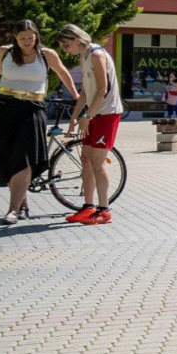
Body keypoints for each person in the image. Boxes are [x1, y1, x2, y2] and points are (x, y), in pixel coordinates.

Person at [0, 19, 77, 224]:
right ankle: (22, 204)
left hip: (32, 108)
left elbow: (62, 72)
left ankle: (12, 210)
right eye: (22, 38)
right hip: (3, 108)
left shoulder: (47, 55)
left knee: (23, 157)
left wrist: (76, 97)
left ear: (36, 36)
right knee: (8, 158)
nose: (27, 41)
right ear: (15, 38)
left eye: (31, 37)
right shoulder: (5, 52)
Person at [56, 24, 123, 226]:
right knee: (85, 158)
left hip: (107, 113)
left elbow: (102, 90)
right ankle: (88, 207)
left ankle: (104, 211)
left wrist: (88, 116)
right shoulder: (84, 56)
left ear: (78, 40)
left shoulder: (97, 55)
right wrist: (74, 118)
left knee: (96, 161)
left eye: (67, 45)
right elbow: (85, 92)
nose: (65, 51)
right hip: (94, 113)